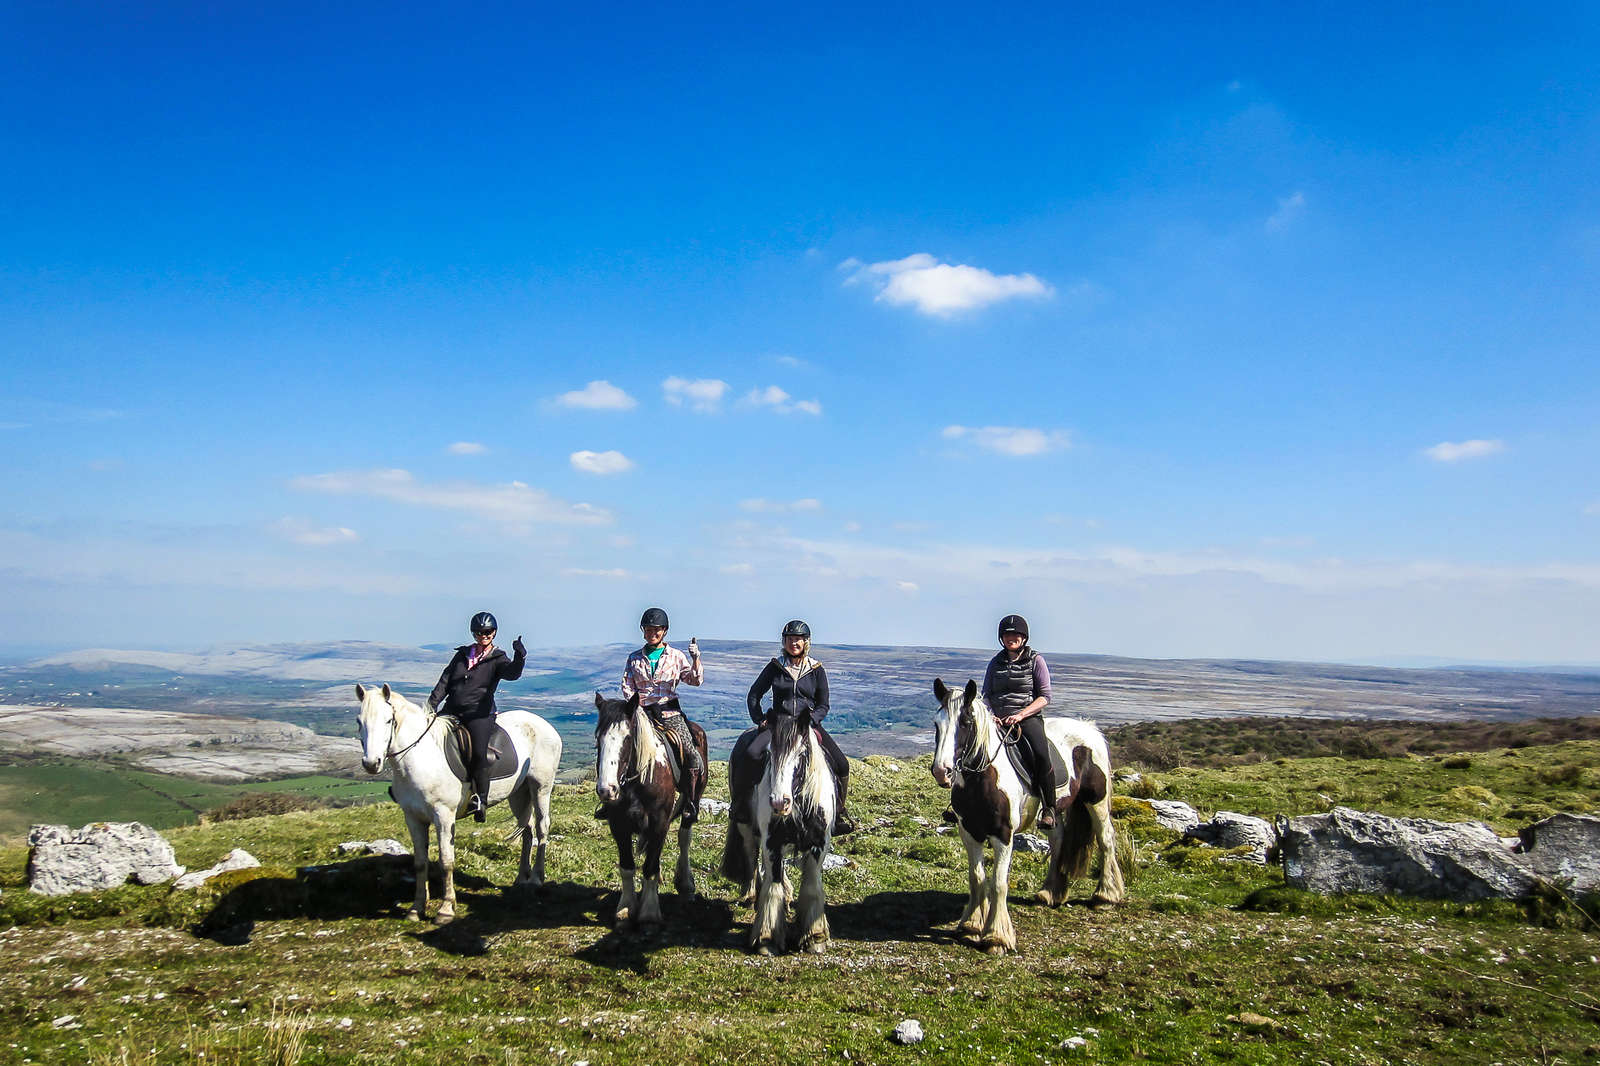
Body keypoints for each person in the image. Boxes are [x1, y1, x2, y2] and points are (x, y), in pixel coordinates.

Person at [744, 619, 856, 835]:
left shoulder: (816, 669)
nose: (793, 643)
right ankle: (744, 806)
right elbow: (754, 695)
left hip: (807, 725)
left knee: (841, 764)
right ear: (784, 641)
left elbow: (824, 704)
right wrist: (759, 720)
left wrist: (812, 721)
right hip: (779, 724)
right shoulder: (775, 667)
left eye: (798, 639)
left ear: (806, 642)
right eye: (790, 639)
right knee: (751, 753)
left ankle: (839, 813)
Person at [428, 612, 526, 822]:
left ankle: (480, 799)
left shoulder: (497, 658)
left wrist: (520, 657)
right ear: (473, 633)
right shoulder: (462, 655)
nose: (483, 635)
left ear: (494, 633)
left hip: (479, 715)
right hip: (452, 710)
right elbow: (445, 680)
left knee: (479, 754)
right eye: (479, 632)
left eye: (488, 632)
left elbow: (512, 673)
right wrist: (432, 705)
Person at [618, 607, 706, 819]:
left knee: (692, 755)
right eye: (648, 629)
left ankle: (690, 802)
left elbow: (694, 680)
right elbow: (627, 685)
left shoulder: (676, 656)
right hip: (641, 714)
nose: (652, 633)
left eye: (656, 630)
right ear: (643, 631)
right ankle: (613, 799)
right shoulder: (634, 658)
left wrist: (696, 659)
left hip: (669, 714)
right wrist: (635, 707)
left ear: (664, 631)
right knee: (616, 749)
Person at [982, 613, 1058, 828]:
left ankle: (1049, 807)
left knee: (1041, 754)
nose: (1011, 638)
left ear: (1024, 638)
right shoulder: (994, 663)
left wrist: (1021, 714)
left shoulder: (1036, 661)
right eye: (1007, 635)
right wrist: (990, 715)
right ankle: (960, 804)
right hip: (996, 719)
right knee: (967, 749)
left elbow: (1045, 696)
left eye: (1016, 635)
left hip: (1026, 718)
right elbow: (986, 694)